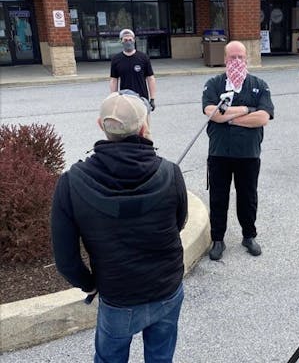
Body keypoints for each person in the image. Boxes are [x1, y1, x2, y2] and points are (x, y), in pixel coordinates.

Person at [51, 91, 187, 363]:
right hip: (166, 289)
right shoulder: (170, 173)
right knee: (161, 358)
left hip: (118, 296)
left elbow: (66, 259)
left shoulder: (72, 182)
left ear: (101, 126)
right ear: (144, 127)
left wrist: (89, 285)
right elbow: (178, 222)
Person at [201, 41, 274, 261]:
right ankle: (218, 239)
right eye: (232, 57)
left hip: (248, 154)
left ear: (247, 58)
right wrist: (245, 110)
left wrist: (228, 118)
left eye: (240, 57)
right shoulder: (214, 83)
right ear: (225, 59)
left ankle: (249, 236)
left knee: (248, 197)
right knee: (218, 198)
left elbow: (263, 117)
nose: (237, 61)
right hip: (219, 153)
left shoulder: (259, 84)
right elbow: (212, 113)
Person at [110, 28, 156, 106]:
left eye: (130, 39)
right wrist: (113, 98)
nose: (128, 42)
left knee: (144, 118)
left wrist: (152, 99)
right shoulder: (116, 59)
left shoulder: (143, 57)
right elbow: (114, 80)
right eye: (125, 40)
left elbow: (150, 78)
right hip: (125, 100)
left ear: (134, 40)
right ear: (121, 41)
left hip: (142, 99)